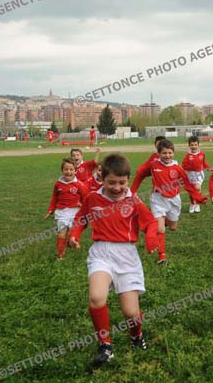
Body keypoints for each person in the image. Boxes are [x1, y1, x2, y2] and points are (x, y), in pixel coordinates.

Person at [68, 153, 159, 369]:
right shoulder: (93, 198)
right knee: (96, 297)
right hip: (101, 253)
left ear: (128, 180)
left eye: (121, 182)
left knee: (131, 313)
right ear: (102, 178)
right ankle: (105, 345)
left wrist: (151, 240)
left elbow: (150, 222)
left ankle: (136, 335)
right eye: (111, 182)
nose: (117, 187)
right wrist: (75, 235)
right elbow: (81, 219)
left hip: (126, 256)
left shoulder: (133, 201)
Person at [131, 139, 205, 264]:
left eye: (170, 153)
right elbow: (140, 174)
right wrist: (132, 191)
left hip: (174, 200)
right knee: (160, 229)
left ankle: (163, 222)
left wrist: (198, 197)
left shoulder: (177, 168)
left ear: (173, 153)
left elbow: (187, 184)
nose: (167, 155)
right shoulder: (153, 165)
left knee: (173, 226)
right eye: (164, 153)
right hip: (158, 199)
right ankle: (162, 256)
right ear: (159, 153)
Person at [44, 158, 89, 260]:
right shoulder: (58, 184)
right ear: (62, 170)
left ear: (75, 171)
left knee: (73, 232)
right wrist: (50, 210)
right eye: (66, 169)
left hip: (75, 212)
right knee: (62, 233)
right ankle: (60, 255)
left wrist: (83, 206)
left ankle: (72, 242)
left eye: (71, 169)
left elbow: (86, 198)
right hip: (61, 212)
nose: (69, 172)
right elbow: (54, 197)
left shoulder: (79, 184)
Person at [181, 135, 212, 214]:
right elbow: (183, 165)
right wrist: (189, 167)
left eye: (195, 145)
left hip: (199, 175)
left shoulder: (202, 154)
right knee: (192, 191)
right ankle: (192, 204)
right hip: (190, 175)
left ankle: (197, 203)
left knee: (198, 188)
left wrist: (208, 167)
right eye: (192, 145)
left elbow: (203, 163)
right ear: (189, 146)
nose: (194, 146)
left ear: (198, 145)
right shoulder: (188, 156)